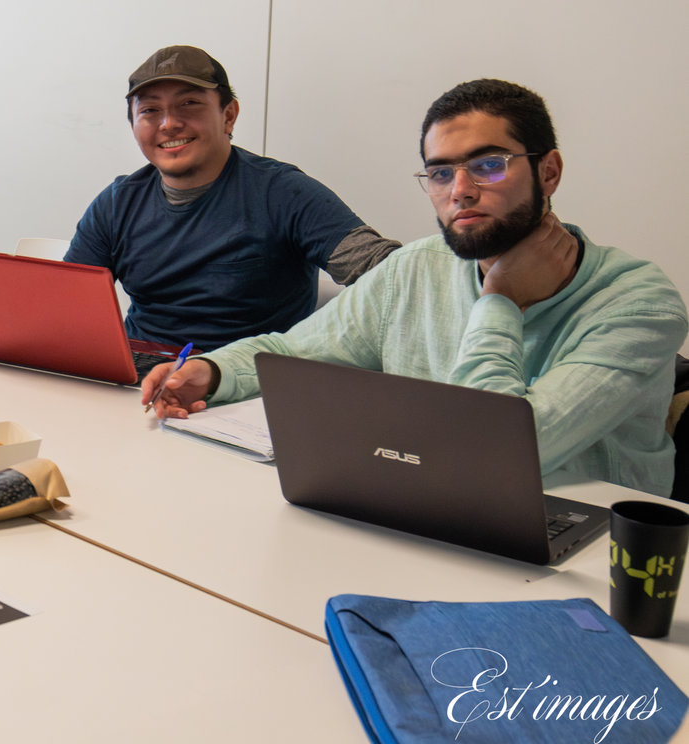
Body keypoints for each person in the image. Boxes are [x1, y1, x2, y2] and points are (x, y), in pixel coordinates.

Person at [145, 79, 689, 495]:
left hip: (588, 551)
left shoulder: (637, 302)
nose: (460, 191)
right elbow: (290, 352)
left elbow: (499, 452)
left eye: (489, 165)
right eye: (440, 173)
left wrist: (500, 300)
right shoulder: (416, 268)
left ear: (549, 172)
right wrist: (213, 371)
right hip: (432, 507)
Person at [67, 45, 398, 351]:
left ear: (228, 115)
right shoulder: (116, 205)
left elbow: (392, 275)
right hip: (138, 378)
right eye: (150, 110)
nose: (168, 124)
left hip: (246, 382)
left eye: (189, 104)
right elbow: (66, 304)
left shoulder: (284, 193)